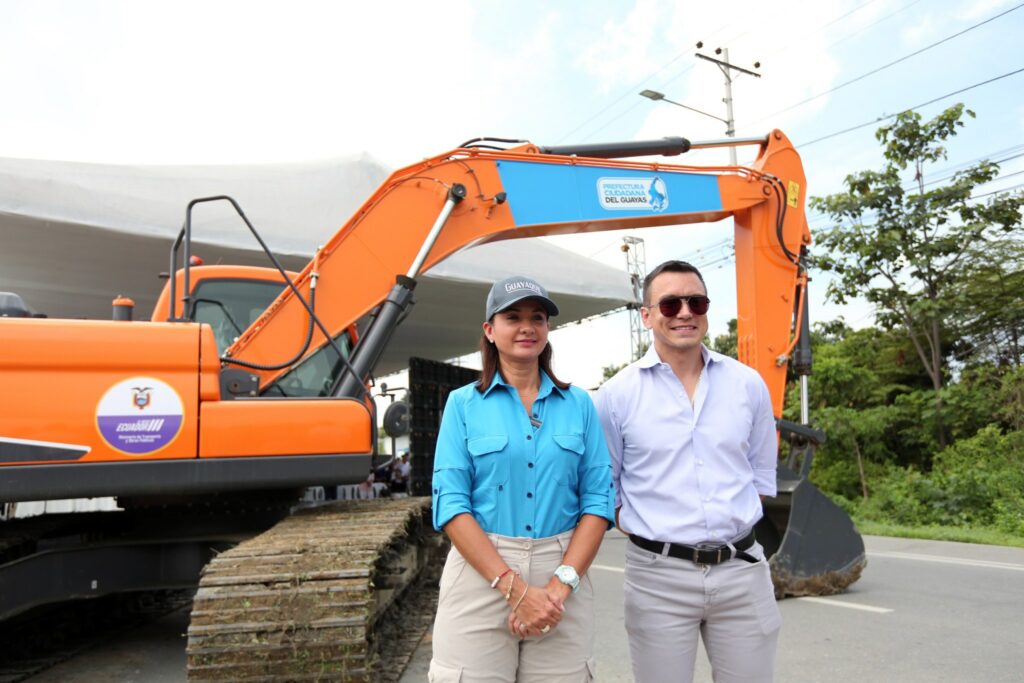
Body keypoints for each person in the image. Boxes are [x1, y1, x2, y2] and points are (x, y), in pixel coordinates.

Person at [595, 260, 782, 683]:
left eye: (696, 302)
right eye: (670, 304)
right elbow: (607, 486)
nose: (685, 312)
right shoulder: (616, 396)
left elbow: (759, 474)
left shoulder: (747, 384)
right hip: (657, 577)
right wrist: (649, 530)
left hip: (741, 570)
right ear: (646, 316)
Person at [429, 275, 615, 683]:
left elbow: (598, 500)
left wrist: (559, 588)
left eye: (537, 318)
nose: (527, 327)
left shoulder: (579, 404)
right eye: (513, 317)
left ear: (548, 329)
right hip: (482, 572)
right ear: (489, 330)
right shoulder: (462, 405)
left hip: (561, 574)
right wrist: (515, 590)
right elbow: (451, 504)